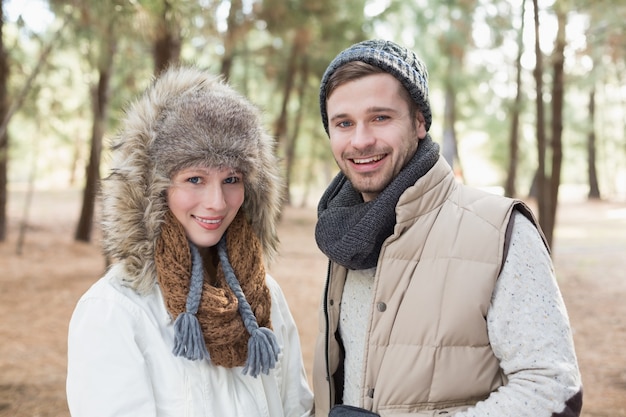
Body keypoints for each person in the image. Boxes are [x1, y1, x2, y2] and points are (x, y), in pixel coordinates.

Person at [312, 39, 583, 417]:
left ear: (420, 122)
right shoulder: (342, 236)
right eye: (344, 123)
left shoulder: (498, 230)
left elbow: (552, 389)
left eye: (380, 118)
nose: (360, 140)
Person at [66, 65, 313, 417]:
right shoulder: (115, 311)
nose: (217, 201)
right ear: (155, 187)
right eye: (195, 178)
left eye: (232, 179)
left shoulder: (265, 295)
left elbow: (296, 409)